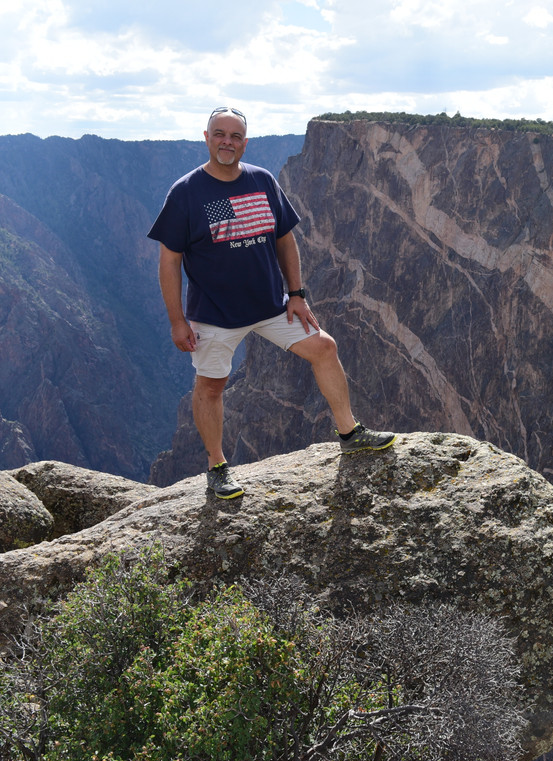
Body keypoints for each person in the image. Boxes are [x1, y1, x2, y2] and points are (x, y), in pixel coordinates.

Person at [150, 106, 395, 500]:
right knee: (212, 387)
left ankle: (349, 433)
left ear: (244, 143)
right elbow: (169, 261)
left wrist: (296, 295)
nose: (226, 141)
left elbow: (285, 238)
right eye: (219, 134)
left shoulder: (261, 181)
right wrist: (177, 321)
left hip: (270, 305)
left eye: (234, 136)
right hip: (214, 314)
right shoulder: (186, 193)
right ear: (206, 137)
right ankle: (217, 466)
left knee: (324, 347)